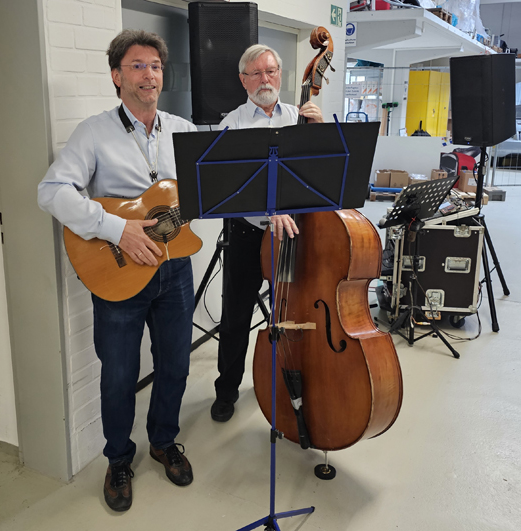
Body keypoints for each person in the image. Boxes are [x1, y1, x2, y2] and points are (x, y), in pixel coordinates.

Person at [38, 29, 196, 512]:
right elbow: (52, 191)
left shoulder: (182, 129)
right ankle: (118, 459)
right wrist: (115, 229)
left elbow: (209, 189)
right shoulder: (93, 131)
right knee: (119, 374)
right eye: (137, 65)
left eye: (155, 66)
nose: (149, 74)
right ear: (116, 76)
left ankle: (164, 442)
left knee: (175, 364)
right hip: (121, 274)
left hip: (176, 270)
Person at [211, 44, 324, 423]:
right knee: (236, 315)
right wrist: (264, 211)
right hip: (246, 234)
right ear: (244, 80)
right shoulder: (231, 124)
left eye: (271, 71)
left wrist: (319, 132)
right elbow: (229, 188)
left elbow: (319, 174)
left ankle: (291, 384)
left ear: (280, 75)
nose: (266, 80)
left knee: (290, 312)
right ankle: (227, 389)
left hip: (290, 234)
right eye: (256, 73)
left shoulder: (299, 116)